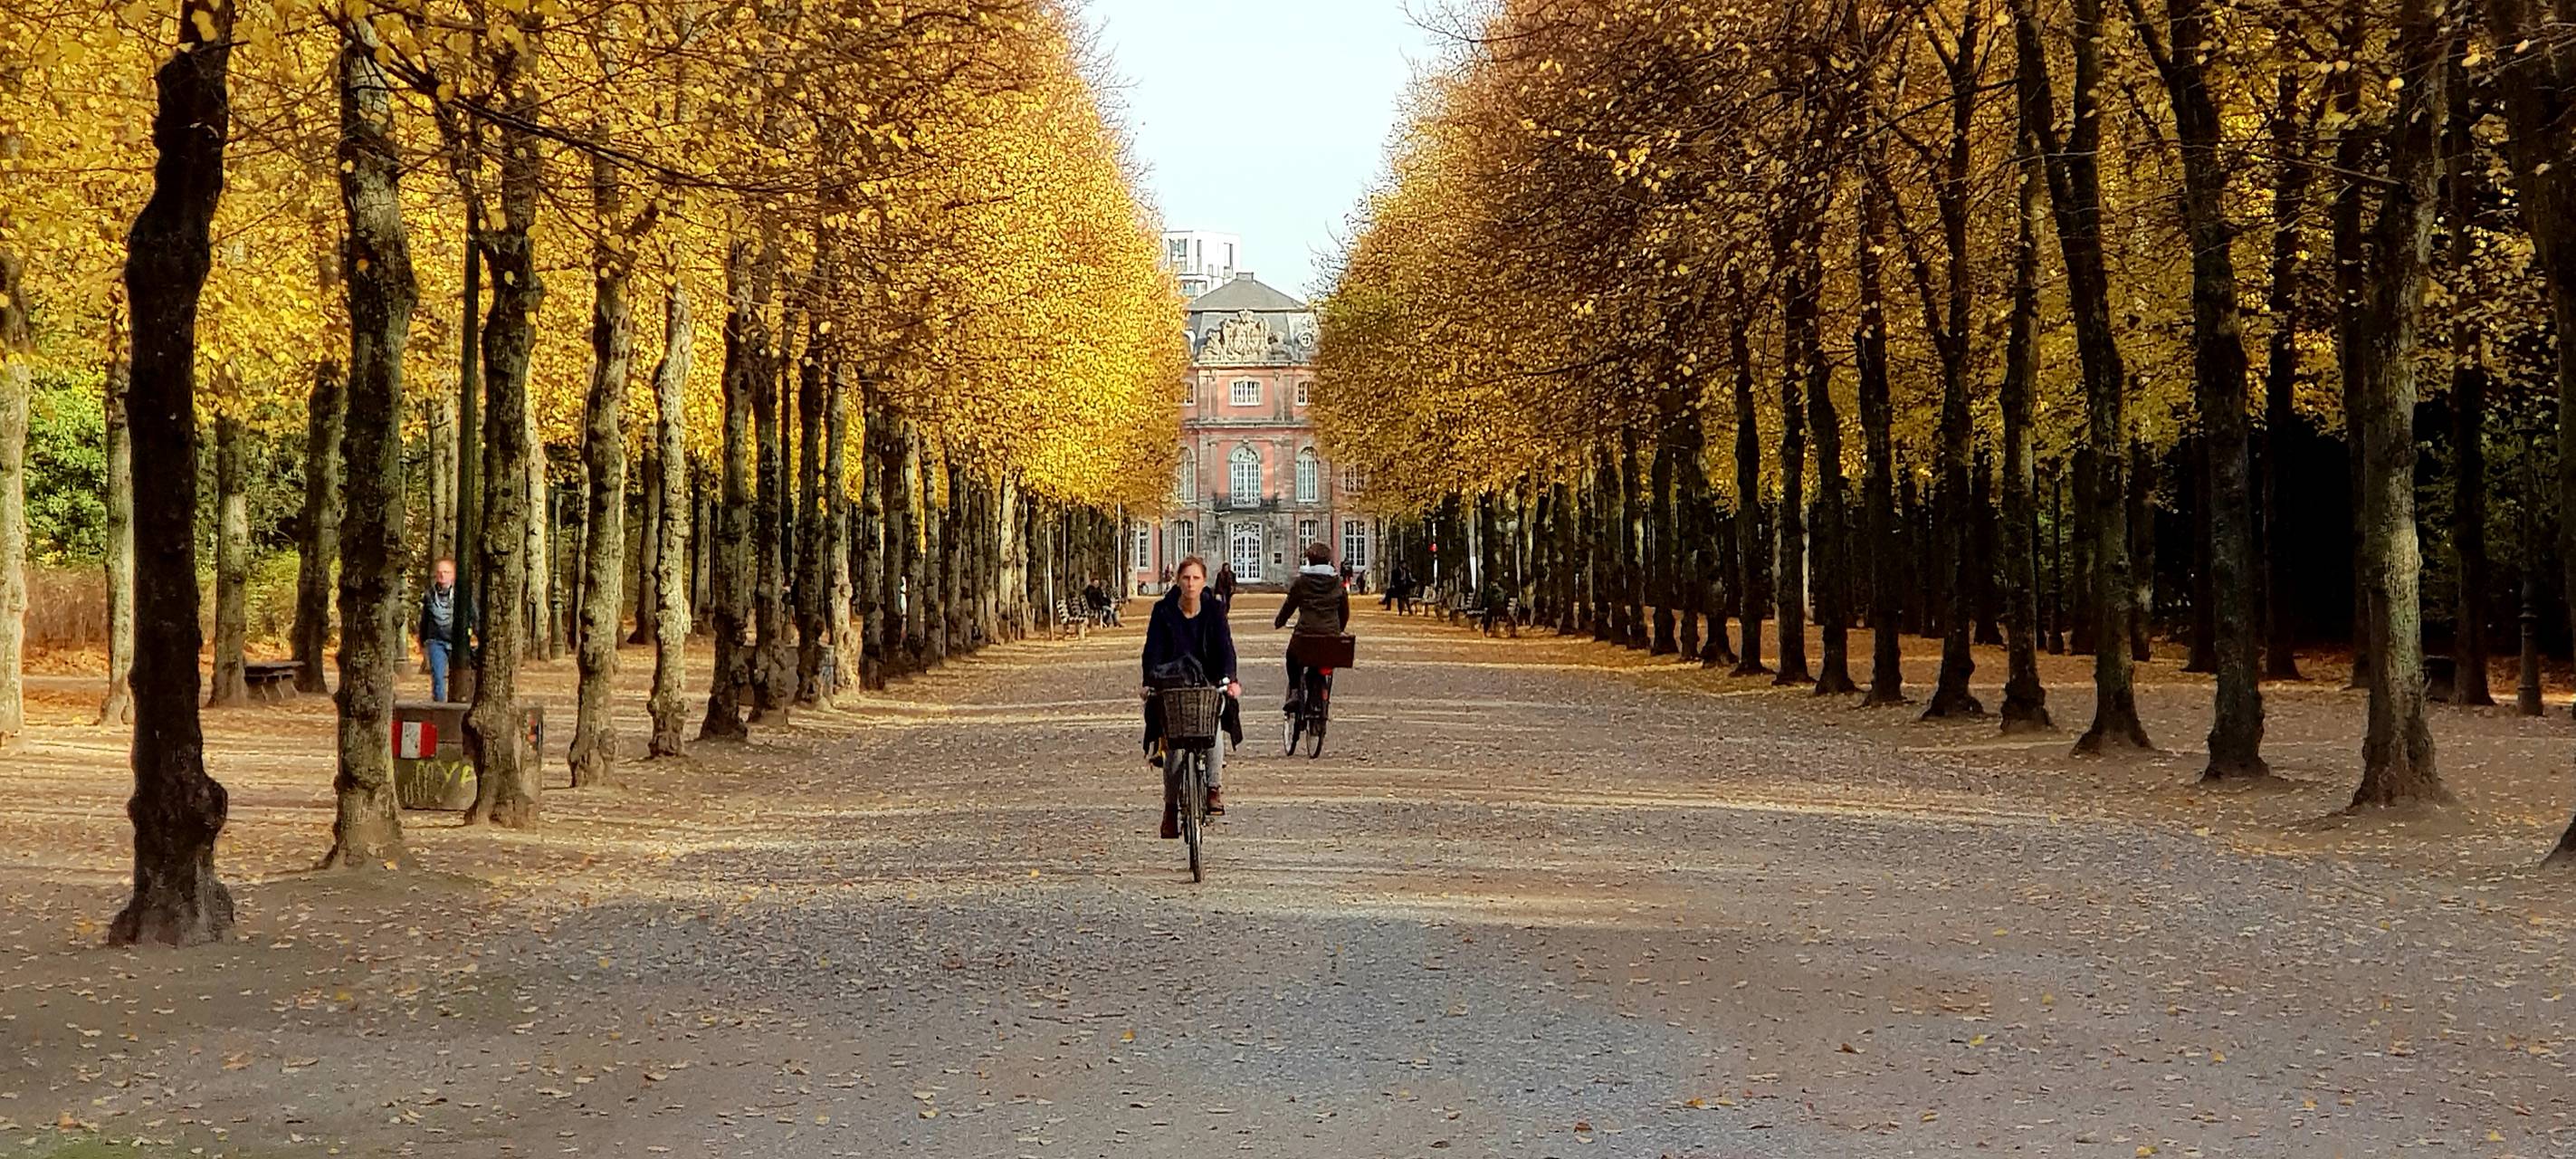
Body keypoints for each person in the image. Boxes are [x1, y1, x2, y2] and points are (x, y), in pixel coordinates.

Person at [1140, 557, 1241, 835]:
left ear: (1204, 582)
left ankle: (1213, 788)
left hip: (1206, 682)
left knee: (1214, 727)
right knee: (1173, 744)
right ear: (1178, 581)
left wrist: (1230, 680)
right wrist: (1149, 682)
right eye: (1186, 578)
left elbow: (1225, 649)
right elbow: (1152, 651)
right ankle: (1170, 809)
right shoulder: (1163, 611)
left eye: (1196, 578)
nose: (1190, 583)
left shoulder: (1215, 610)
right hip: (1172, 681)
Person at [1275, 542, 1351, 714]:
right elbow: (1344, 611)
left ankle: (1295, 691)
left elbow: (1289, 606)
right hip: (1330, 635)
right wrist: (1339, 628)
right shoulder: (1337, 584)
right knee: (1322, 661)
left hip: (1305, 633)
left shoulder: (1302, 582)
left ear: (1309, 560)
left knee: (1292, 658)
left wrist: (1279, 622)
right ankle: (1320, 694)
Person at [415, 558, 474, 703]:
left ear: (453, 575)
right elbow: (425, 620)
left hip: (458, 642)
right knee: (438, 676)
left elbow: (474, 615)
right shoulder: (429, 595)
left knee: (461, 675)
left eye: (446, 572)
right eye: (440, 572)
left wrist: (475, 635)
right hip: (436, 641)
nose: (442, 575)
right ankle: (440, 706)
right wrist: (422, 641)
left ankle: (461, 703)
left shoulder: (462, 594)